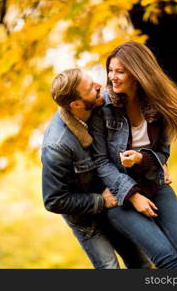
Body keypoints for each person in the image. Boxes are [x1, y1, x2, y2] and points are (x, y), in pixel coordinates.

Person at [89, 41, 177, 269]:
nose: (113, 77)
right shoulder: (103, 109)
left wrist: (142, 159)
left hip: (154, 184)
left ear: (137, 72)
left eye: (120, 71)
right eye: (110, 71)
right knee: (168, 260)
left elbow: (162, 152)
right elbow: (101, 161)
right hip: (119, 196)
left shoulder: (157, 106)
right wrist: (132, 195)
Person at [41, 68, 153, 269]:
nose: (99, 87)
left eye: (94, 82)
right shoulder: (56, 146)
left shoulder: (98, 105)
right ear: (76, 104)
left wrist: (159, 161)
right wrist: (101, 201)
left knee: (141, 263)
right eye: (91, 88)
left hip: (112, 200)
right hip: (85, 217)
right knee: (110, 268)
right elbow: (53, 201)